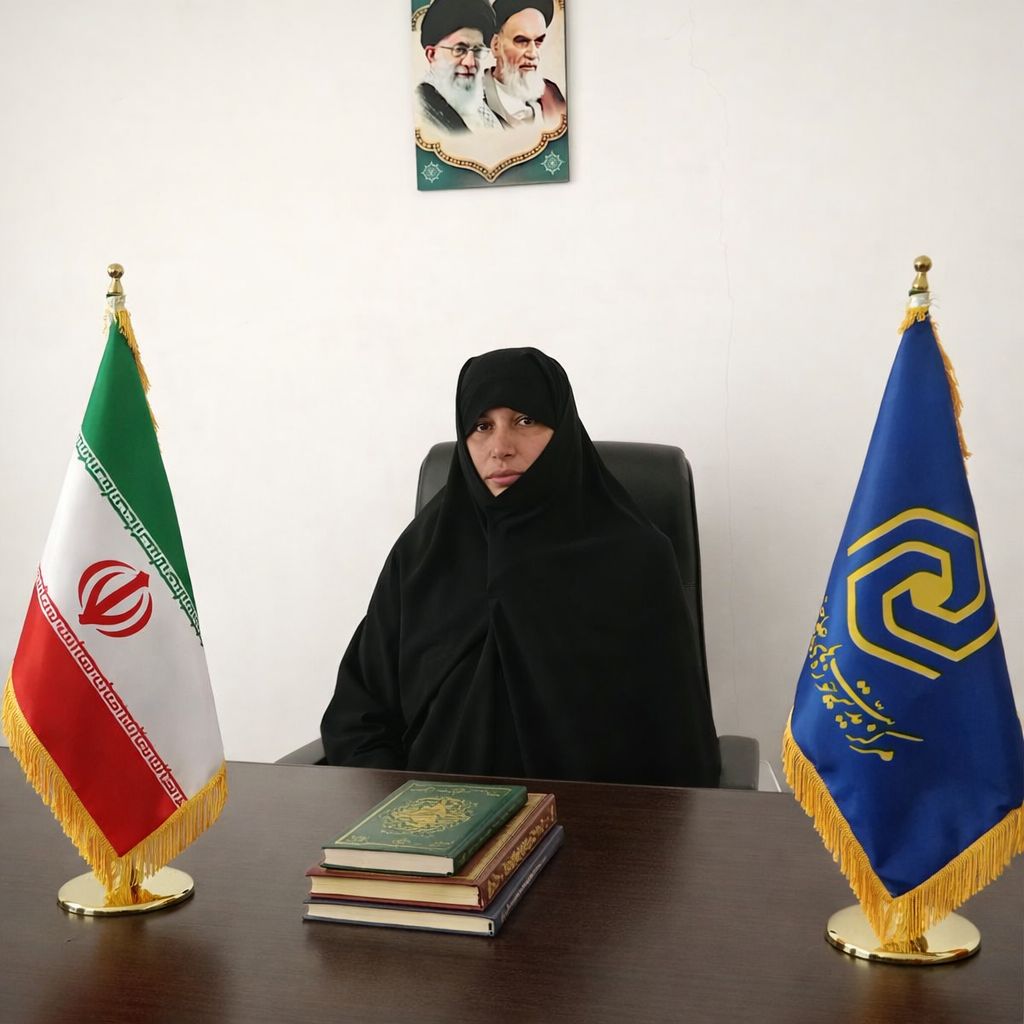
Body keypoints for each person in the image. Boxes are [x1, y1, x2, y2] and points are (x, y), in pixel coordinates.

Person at [321, 348, 721, 787]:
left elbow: (678, 743)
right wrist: (395, 803)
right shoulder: (421, 553)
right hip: (434, 814)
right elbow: (360, 714)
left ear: (562, 429)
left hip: (591, 816)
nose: (501, 448)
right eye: (481, 426)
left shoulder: (635, 557)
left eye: (525, 420)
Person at [416, 0, 500, 134]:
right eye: (460, 49)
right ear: (432, 55)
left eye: (477, 51)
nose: (470, 62)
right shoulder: (420, 108)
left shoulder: (486, 108)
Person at [484, 0, 567, 130]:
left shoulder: (551, 93)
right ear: (496, 46)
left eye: (538, 42)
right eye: (521, 41)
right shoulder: (474, 99)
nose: (533, 54)